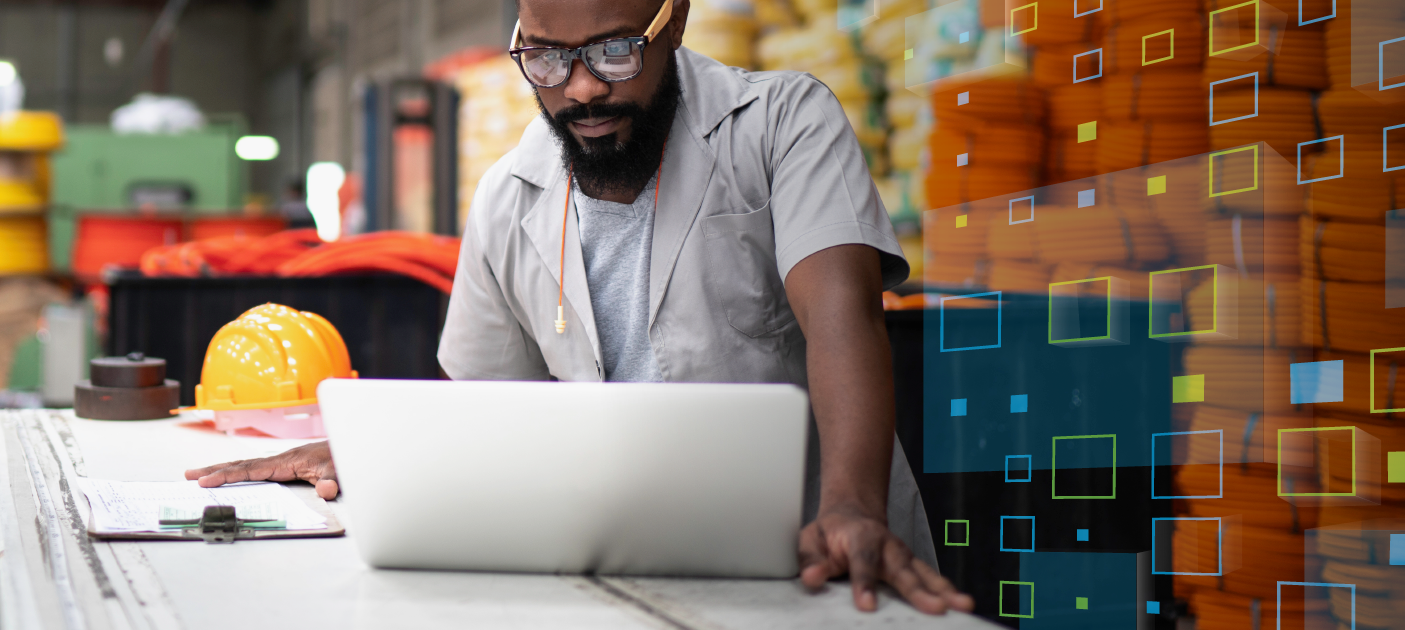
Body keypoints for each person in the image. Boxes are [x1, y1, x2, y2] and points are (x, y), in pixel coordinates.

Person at [185, 0, 973, 616]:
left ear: (677, 23)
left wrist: (850, 506)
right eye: (548, 58)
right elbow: (490, 414)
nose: (583, 86)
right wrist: (384, 455)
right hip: (630, 573)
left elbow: (844, 320)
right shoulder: (507, 197)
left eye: (614, 50)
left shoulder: (781, 125)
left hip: (825, 564)